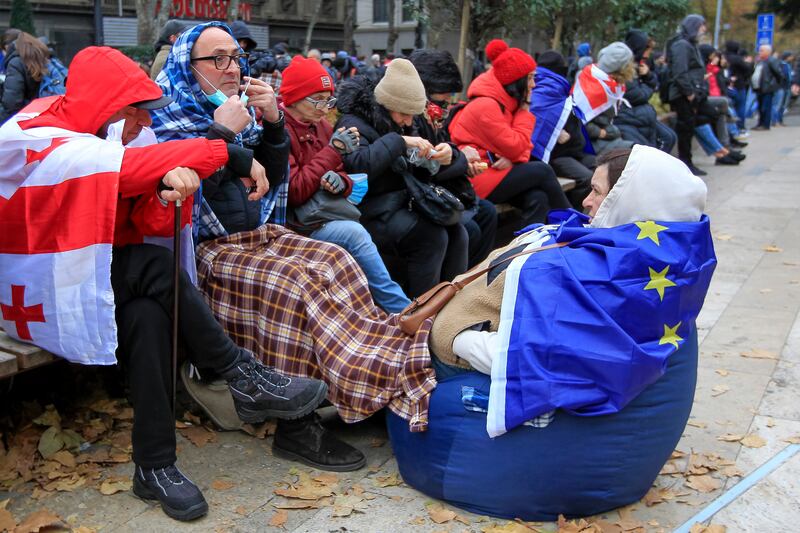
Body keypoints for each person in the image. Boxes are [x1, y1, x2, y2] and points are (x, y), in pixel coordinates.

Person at [0, 46, 326, 522]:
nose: (137, 122)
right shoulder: (29, 131)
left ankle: (154, 466)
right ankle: (237, 372)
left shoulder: (107, 136)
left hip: (91, 275)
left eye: (142, 110)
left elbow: (131, 212)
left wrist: (164, 190)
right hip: (35, 285)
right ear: (101, 102)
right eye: (129, 109)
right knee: (153, 267)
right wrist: (223, 145)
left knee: (148, 314)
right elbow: (117, 171)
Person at [428, 145, 715, 434]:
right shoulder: (660, 256)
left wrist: (454, 338)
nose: (586, 201)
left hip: (459, 354)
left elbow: (534, 360)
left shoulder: (602, 275)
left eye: (597, 191)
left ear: (628, 199)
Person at [280, 54, 411, 312]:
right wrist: (333, 153)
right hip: (298, 223)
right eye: (317, 100)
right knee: (356, 234)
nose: (324, 108)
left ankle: (396, 308)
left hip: (326, 212)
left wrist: (339, 182)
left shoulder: (322, 127)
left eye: (328, 101)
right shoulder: (281, 129)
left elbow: (347, 175)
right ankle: (402, 310)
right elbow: (293, 192)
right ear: (293, 99)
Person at [336, 59, 469, 297]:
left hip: (404, 202)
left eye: (412, 116)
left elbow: (420, 168)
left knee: (458, 233)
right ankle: (421, 313)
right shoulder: (354, 121)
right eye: (405, 114)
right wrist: (399, 142)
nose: (409, 121)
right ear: (387, 104)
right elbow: (358, 165)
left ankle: (449, 306)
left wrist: (446, 154)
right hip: (370, 210)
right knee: (430, 238)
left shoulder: (402, 121)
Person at [448, 46, 570, 231]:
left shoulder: (506, 101)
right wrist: (525, 109)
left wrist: (513, 158)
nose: (534, 85)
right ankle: (573, 224)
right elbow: (517, 146)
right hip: (476, 178)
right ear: (516, 81)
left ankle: (527, 249)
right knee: (542, 171)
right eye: (530, 78)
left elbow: (524, 148)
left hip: (494, 172)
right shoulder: (487, 105)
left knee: (538, 198)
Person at [409, 48, 498, 268]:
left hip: (441, 187)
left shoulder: (433, 114)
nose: (448, 101)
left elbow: (446, 153)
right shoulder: (413, 118)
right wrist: (460, 160)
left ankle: (474, 277)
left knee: (488, 212)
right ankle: (458, 285)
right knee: (471, 230)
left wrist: (462, 163)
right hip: (420, 196)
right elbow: (428, 169)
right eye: (444, 96)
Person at [528, 49, 593, 209]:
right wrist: (554, 133)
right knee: (587, 178)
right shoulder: (543, 89)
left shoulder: (557, 87)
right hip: (555, 155)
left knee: (603, 169)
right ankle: (574, 216)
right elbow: (533, 121)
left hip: (574, 151)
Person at [617, 30, 677, 154]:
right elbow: (638, 95)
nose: (647, 55)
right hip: (630, 117)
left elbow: (653, 85)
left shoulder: (640, 65)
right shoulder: (624, 68)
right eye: (646, 51)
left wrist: (648, 76)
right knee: (661, 142)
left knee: (669, 137)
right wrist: (649, 85)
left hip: (641, 115)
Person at [667, 14, 708, 175]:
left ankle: (687, 162)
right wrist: (689, 93)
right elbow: (680, 71)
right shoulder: (682, 45)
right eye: (701, 26)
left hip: (689, 93)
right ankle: (685, 164)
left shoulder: (689, 44)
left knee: (688, 128)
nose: (704, 29)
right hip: (683, 95)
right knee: (685, 129)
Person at [579, 42, 636, 155]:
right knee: (636, 155)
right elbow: (579, 119)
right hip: (593, 143)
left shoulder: (611, 84)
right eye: (630, 63)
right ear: (622, 68)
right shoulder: (597, 87)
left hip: (609, 135)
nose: (633, 67)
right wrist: (603, 133)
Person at [0, 32, 51, 123]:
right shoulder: (45, 60)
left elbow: (12, 102)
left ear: (8, 47)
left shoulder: (16, 62)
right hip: (45, 114)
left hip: (24, 117)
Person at [751, 44, 785, 131]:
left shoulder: (771, 61)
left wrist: (772, 84)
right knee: (760, 107)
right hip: (759, 87)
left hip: (767, 88)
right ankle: (760, 123)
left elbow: (778, 74)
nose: (759, 52)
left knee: (765, 107)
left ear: (768, 52)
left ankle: (765, 124)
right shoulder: (760, 61)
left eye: (762, 50)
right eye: (759, 50)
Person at [723, 40, 753, 132]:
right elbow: (747, 70)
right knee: (740, 106)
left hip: (725, 84)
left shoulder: (723, 56)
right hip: (739, 84)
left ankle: (729, 127)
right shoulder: (737, 58)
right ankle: (740, 126)